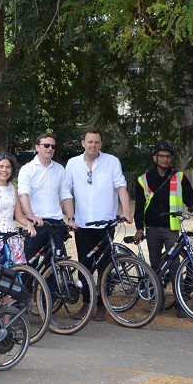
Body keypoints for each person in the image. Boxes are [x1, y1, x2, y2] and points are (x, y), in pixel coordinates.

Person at [65, 128, 133, 321]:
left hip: (106, 223)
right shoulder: (72, 164)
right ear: (83, 143)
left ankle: (103, 305)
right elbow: (66, 191)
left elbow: (121, 186)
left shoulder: (112, 161)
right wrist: (70, 217)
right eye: (89, 142)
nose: (92, 145)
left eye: (96, 142)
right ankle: (87, 304)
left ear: (100, 144)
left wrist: (126, 211)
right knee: (84, 266)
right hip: (83, 224)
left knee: (105, 266)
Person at [133, 142, 193, 318]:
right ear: (155, 158)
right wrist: (139, 228)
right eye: (161, 156)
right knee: (155, 266)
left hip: (171, 228)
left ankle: (180, 305)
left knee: (175, 266)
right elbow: (139, 208)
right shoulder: (143, 179)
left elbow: (189, 196)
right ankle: (158, 304)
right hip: (152, 228)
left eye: (168, 156)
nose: (165, 159)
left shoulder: (179, 176)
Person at [18, 132, 76, 262]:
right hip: (36, 223)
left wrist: (71, 218)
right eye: (46, 145)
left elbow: (66, 194)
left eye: (53, 146)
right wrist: (31, 216)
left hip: (56, 223)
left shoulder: (60, 169)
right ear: (37, 147)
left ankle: (52, 283)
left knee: (55, 264)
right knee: (30, 264)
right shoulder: (27, 169)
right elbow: (23, 194)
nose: (50, 148)